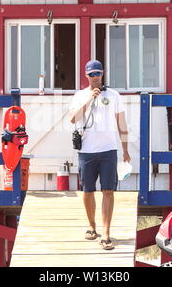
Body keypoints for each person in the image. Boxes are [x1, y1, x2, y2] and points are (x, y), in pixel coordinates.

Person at [69, 59, 131, 250]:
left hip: (108, 150)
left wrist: (126, 149)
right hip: (87, 151)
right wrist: (90, 99)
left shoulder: (114, 95)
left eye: (98, 73)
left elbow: (121, 123)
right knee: (87, 191)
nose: (96, 77)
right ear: (86, 75)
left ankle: (106, 232)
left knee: (108, 191)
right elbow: (73, 118)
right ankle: (91, 226)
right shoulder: (80, 95)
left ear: (102, 73)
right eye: (92, 74)